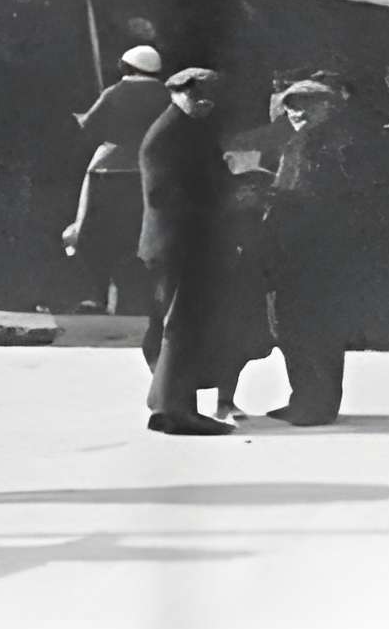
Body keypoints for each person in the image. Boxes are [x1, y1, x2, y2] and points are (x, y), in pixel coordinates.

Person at [140, 66, 254, 437]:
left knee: (182, 325)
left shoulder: (189, 128)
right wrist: (223, 200)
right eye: (197, 96)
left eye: (210, 98)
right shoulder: (168, 135)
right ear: (177, 92)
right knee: (182, 326)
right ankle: (175, 411)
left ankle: (167, 403)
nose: (205, 103)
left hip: (185, 242)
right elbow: (162, 196)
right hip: (179, 243)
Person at [264, 76, 377, 427]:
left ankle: (318, 403)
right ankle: (303, 398)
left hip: (319, 249)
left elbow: (342, 199)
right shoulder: (301, 141)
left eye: (306, 105)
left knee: (316, 327)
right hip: (296, 247)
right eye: (290, 105)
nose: (296, 111)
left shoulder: (341, 144)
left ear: (328, 107)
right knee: (293, 325)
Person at [64, 44, 171, 316]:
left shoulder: (115, 93)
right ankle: (142, 298)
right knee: (142, 235)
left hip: (110, 172)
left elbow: (87, 127)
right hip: (153, 171)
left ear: (126, 67)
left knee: (97, 234)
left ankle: (96, 296)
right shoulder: (167, 95)